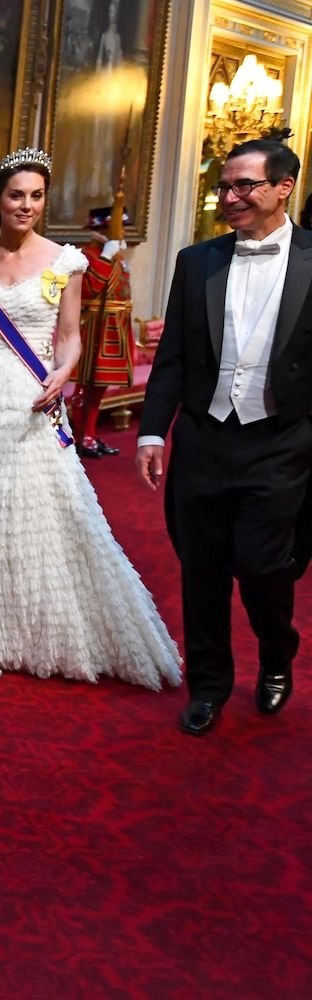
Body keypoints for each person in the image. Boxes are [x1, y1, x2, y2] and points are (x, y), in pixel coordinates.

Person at [0, 148, 180, 688]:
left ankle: (35, 630)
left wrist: (63, 376)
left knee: (41, 513)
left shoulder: (67, 261)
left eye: (37, 196)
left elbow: (70, 338)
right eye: (16, 195)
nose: (27, 205)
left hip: (32, 400)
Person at [138, 138, 312, 735]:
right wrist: (151, 433)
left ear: (283, 187)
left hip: (281, 441)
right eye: (225, 186)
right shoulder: (198, 261)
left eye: (245, 186)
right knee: (202, 568)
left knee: (264, 566)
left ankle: (277, 651)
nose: (230, 197)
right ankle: (209, 685)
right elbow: (173, 357)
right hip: (205, 438)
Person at [69, 205, 134, 459]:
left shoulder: (118, 257)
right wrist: (105, 258)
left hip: (114, 328)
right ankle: (79, 437)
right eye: (116, 228)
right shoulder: (86, 256)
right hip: (93, 328)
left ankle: (90, 434)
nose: (121, 233)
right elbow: (89, 290)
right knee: (84, 388)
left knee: (100, 389)